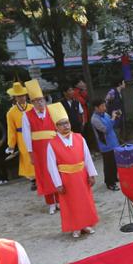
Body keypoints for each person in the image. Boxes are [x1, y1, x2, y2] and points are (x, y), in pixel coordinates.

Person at [45, 102, 99, 238]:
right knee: (71, 203)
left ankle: (86, 224)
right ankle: (75, 226)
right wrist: (58, 183)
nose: (66, 126)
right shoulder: (52, 144)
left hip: (81, 175)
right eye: (62, 124)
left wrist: (91, 174)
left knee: (84, 200)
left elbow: (87, 157)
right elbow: (51, 166)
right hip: (66, 179)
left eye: (67, 123)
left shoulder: (79, 138)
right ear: (56, 127)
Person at [21, 80, 60, 214]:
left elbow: (58, 127)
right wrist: (30, 153)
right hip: (39, 149)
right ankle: (51, 203)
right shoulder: (27, 115)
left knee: (57, 171)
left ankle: (60, 200)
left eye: (41, 100)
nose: (40, 103)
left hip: (53, 146)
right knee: (44, 174)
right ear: (32, 102)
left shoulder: (51, 111)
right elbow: (26, 135)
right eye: (36, 100)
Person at [4, 82, 35, 188]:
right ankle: (32, 179)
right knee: (26, 156)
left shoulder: (32, 107)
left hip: (34, 134)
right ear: (15, 97)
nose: (21, 98)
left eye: (23, 95)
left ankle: (40, 175)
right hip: (21, 136)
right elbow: (11, 130)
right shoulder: (11, 113)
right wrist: (11, 145)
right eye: (19, 96)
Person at [90, 96, 120, 191]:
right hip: (106, 145)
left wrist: (115, 117)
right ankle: (109, 182)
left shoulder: (105, 114)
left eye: (104, 105)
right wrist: (113, 119)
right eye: (102, 106)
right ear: (96, 107)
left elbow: (111, 124)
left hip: (113, 142)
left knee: (115, 162)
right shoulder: (94, 119)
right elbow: (105, 129)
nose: (104, 107)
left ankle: (114, 178)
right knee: (108, 164)